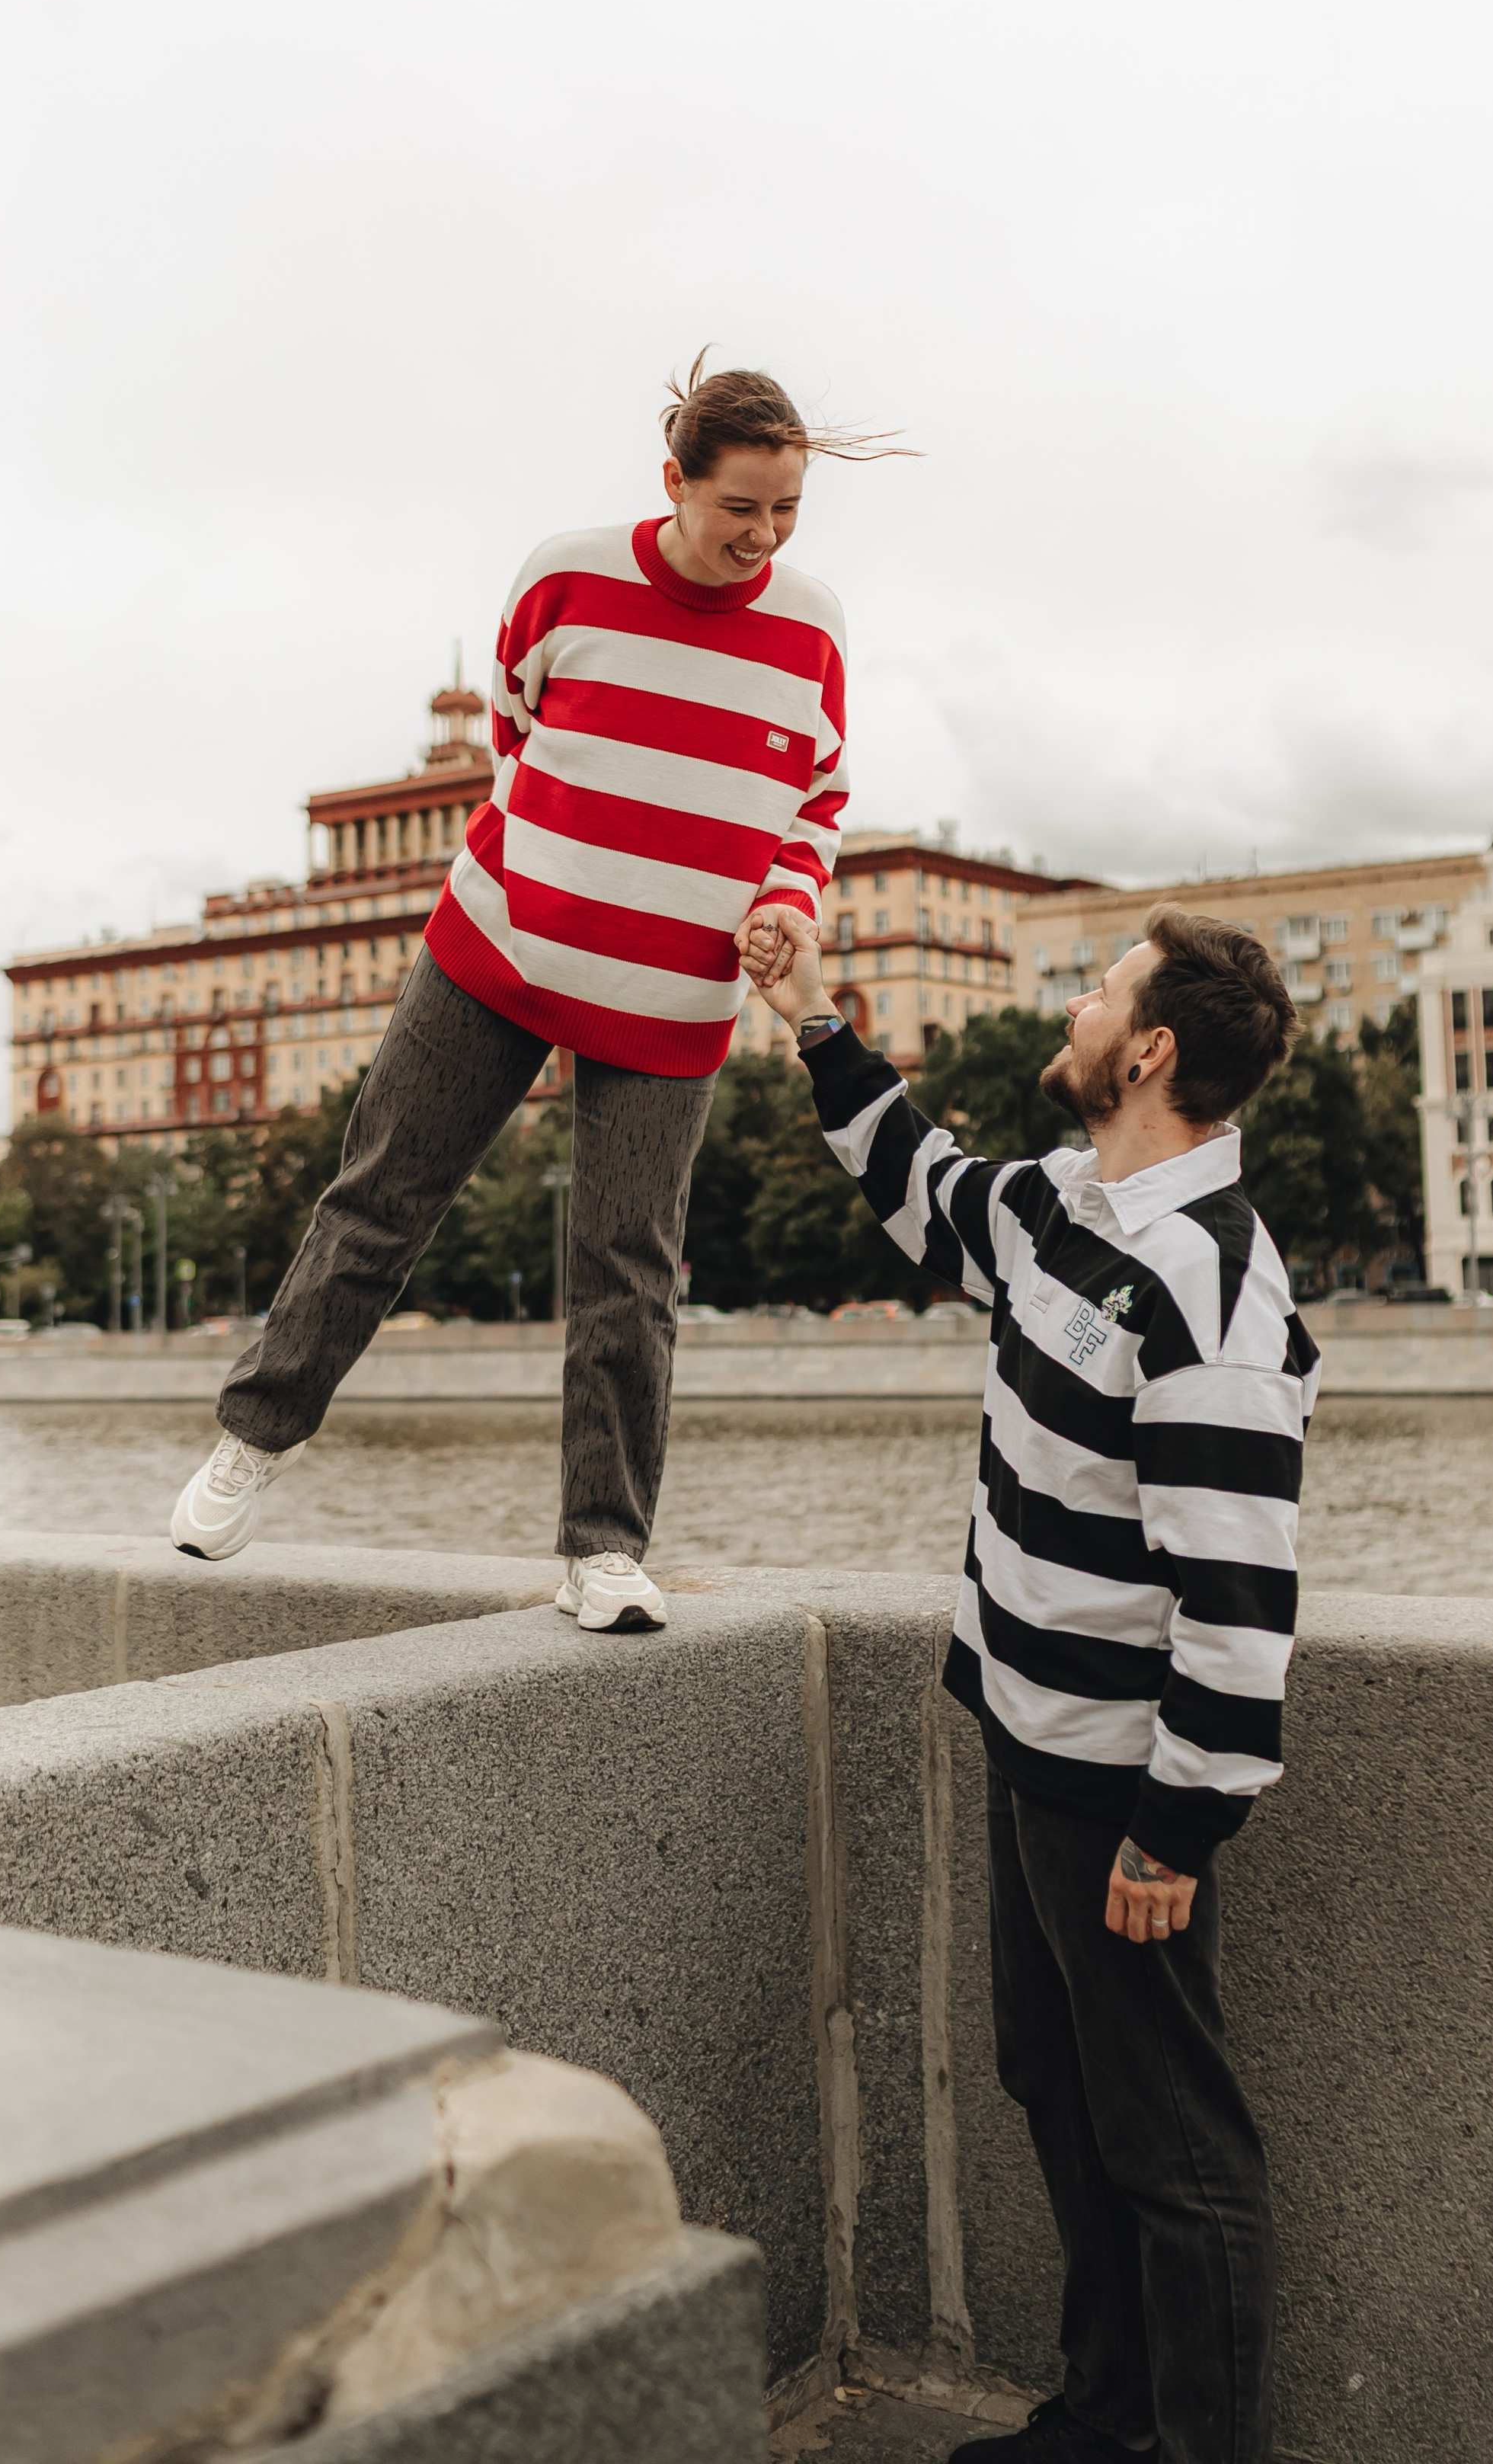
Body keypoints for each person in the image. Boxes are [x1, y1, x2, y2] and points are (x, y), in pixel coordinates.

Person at [169, 357, 900, 1627]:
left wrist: (786, 899)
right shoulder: (565, 574)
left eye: (787, 513)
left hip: (675, 995)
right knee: (381, 1201)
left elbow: (816, 801)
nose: (765, 537)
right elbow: (520, 727)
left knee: (631, 1266)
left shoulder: (816, 628)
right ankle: (255, 1438)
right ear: (674, 481)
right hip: (498, 949)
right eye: (741, 509)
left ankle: (603, 1551)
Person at [750, 901, 1316, 2464]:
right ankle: (1102, 2419)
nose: (1066, 1003)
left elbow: (1239, 1600)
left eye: (1098, 988)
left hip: (1117, 1787)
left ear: (1145, 1051)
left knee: (1169, 2141)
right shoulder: (1067, 1203)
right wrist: (809, 1015)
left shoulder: (1208, 1293)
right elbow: (918, 1185)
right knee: (1054, 2083)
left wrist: (1174, 1830)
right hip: (1023, 1729)